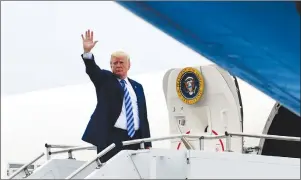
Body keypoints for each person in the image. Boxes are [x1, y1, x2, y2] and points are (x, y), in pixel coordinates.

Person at [80, 29, 152, 162]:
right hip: (113, 138)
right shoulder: (105, 80)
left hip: (136, 138)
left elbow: (142, 116)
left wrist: (147, 143)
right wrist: (87, 53)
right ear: (110, 65)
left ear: (129, 65)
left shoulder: (137, 87)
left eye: (121, 62)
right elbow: (92, 70)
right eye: (115, 63)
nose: (118, 65)